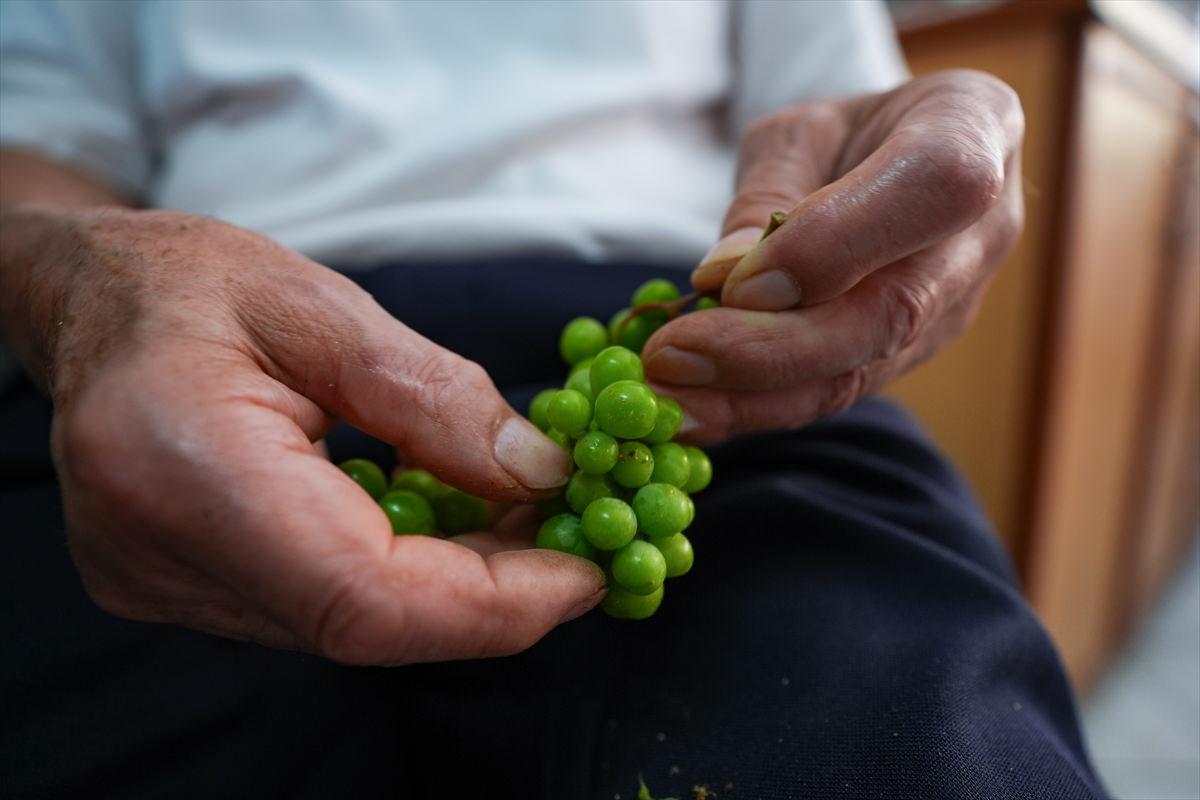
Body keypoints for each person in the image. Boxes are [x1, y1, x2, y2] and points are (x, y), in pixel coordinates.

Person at [0, 1, 1104, 797]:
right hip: (215, 359)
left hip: (688, 372)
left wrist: (902, 179)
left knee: (915, 744)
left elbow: (842, 117)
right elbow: (32, 162)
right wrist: (75, 279)